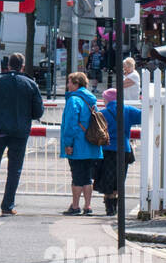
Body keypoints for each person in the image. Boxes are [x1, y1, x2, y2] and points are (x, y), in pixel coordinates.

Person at [0, 53, 44, 216]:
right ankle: (7, 206)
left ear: (7, 65)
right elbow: (38, 112)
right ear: (22, 65)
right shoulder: (30, 83)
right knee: (14, 170)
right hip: (19, 132)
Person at [60, 71, 104, 216]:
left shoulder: (74, 100)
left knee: (77, 176)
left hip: (78, 144)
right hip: (91, 144)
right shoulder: (91, 100)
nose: (68, 85)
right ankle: (88, 206)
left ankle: (75, 206)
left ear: (76, 84)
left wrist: (68, 144)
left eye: (69, 82)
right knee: (87, 177)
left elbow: (71, 125)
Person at [95, 87, 142, 215]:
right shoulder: (128, 110)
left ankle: (109, 207)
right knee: (119, 178)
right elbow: (143, 116)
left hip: (107, 149)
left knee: (107, 178)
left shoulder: (103, 113)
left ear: (107, 100)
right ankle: (114, 205)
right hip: (124, 149)